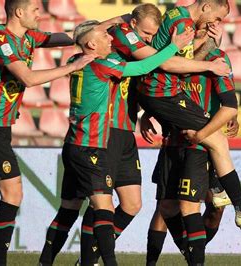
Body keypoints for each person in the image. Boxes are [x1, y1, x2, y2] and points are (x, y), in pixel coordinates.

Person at [0, 1, 96, 265]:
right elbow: (28, 78)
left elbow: (65, 38)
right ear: (19, 12)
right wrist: (71, 67)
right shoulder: (0, 39)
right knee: (13, 194)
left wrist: (104, 27)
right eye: (35, 9)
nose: (39, 13)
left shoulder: (28, 36)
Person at [40, 19, 189, 266]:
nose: (111, 37)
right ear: (91, 43)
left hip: (81, 142)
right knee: (102, 208)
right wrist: (172, 47)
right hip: (92, 144)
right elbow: (144, 67)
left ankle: (47, 262)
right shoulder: (103, 64)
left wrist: (116, 21)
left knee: (74, 208)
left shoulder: (75, 61)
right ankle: (101, 261)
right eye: (104, 35)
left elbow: (87, 38)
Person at [137, 0, 241, 232]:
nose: (216, 23)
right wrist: (212, 67)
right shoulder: (183, 25)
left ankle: (221, 191)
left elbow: (186, 59)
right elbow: (170, 65)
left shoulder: (175, 13)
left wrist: (215, 45)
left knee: (212, 141)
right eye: (217, 17)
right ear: (205, 7)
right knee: (216, 140)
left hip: (158, 92)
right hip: (162, 91)